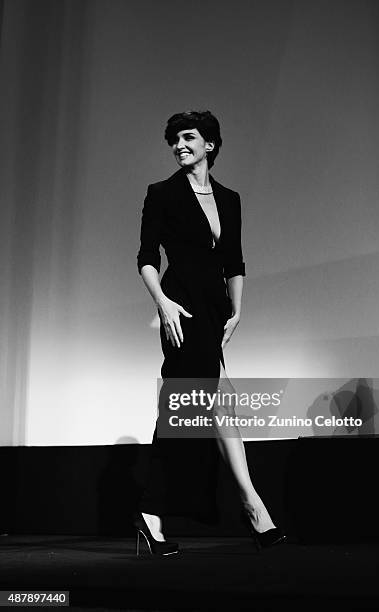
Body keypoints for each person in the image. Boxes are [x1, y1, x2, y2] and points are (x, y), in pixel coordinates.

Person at [136, 110, 285, 555]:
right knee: (196, 406)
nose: (179, 145)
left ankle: (154, 515)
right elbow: (145, 255)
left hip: (215, 310)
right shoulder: (161, 194)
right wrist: (161, 303)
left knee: (207, 405)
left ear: (210, 145)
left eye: (188, 137)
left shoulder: (230, 198)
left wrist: (237, 310)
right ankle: (252, 506)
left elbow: (234, 261)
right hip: (180, 310)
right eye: (175, 139)